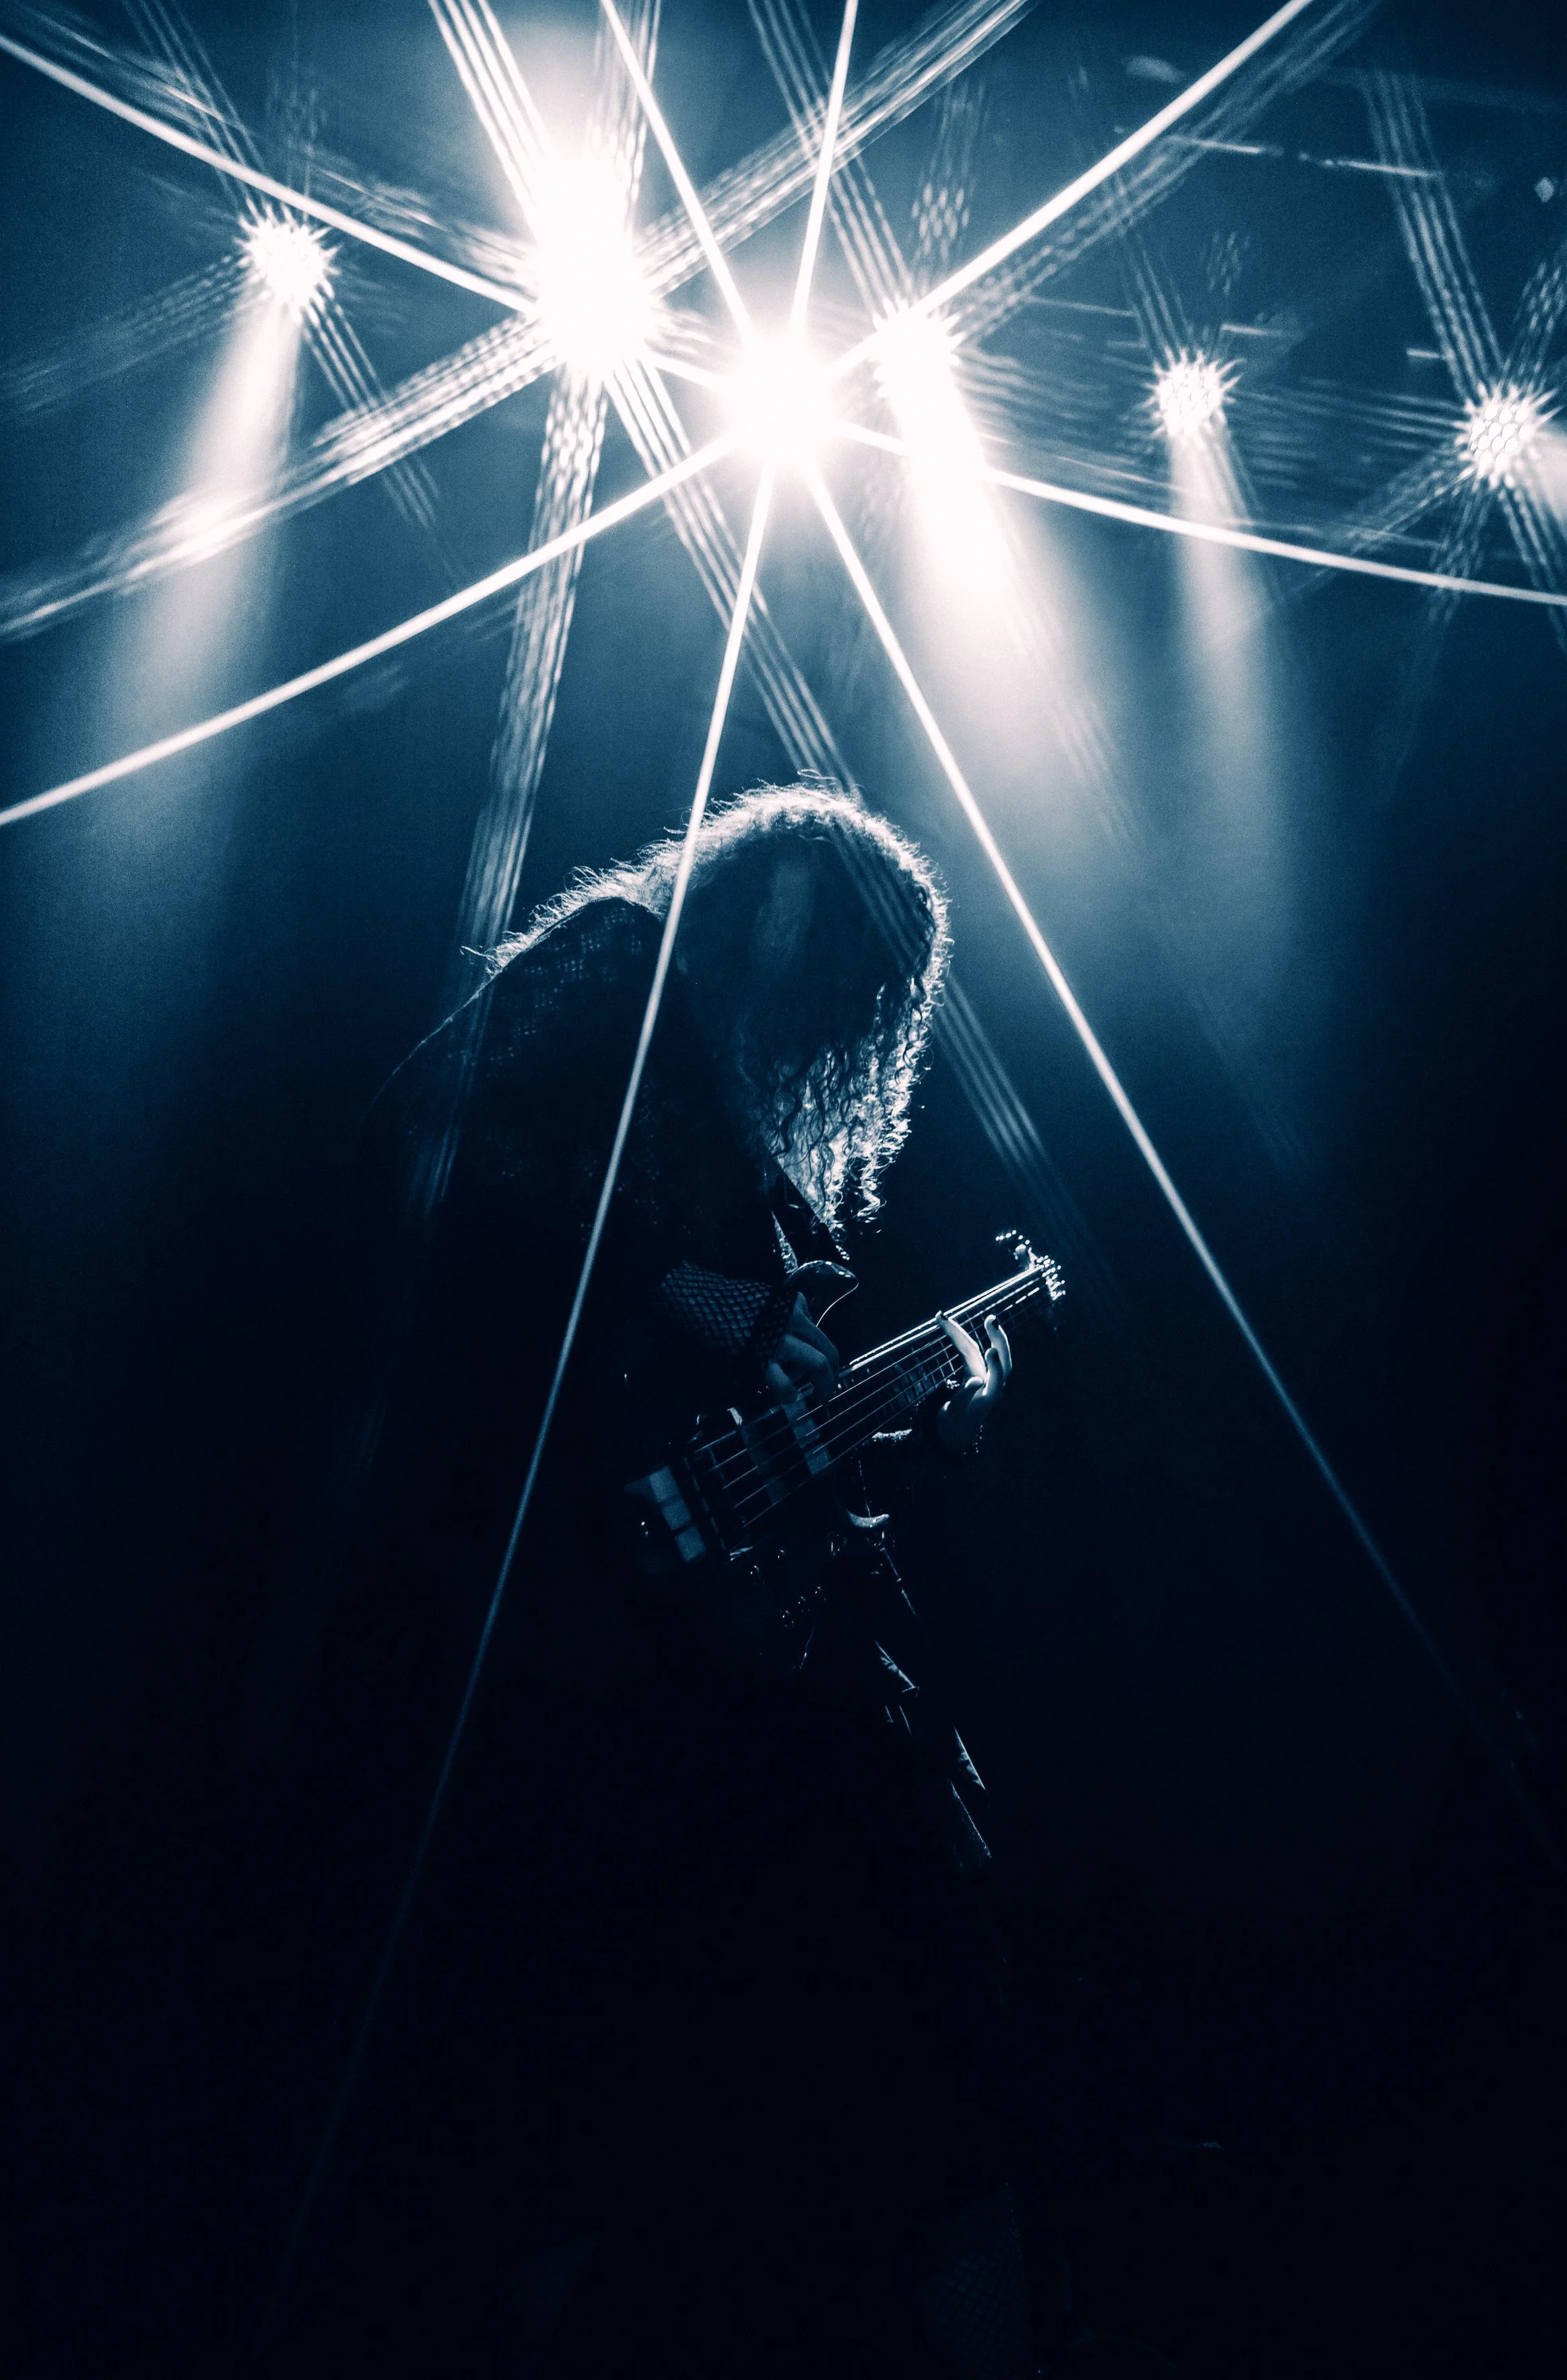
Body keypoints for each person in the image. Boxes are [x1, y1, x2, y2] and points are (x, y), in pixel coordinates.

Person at [299, 786, 1033, 2377]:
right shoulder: (616, 960)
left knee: (780, 2065)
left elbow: (745, 1416)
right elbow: (436, 1160)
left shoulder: (740, 1123)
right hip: (545, 1618)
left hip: (684, 1656)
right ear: (788, 929)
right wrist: (694, 1292)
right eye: (853, 990)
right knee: (572, 2092)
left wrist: (906, 1415)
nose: (853, 1041)